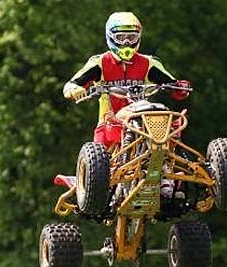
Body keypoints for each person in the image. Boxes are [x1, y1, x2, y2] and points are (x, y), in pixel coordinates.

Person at [62, 12, 192, 197]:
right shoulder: (100, 62)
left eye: (131, 37)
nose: (126, 43)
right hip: (111, 121)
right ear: (111, 37)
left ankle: (168, 178)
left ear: (138, 38)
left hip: (143, 116)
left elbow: (172, 83)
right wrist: (74, 90)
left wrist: (179, 88)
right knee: (97, 157)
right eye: (120, 37)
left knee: (167, 117)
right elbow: (73, 83)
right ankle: (97, 189)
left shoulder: (148, 63)